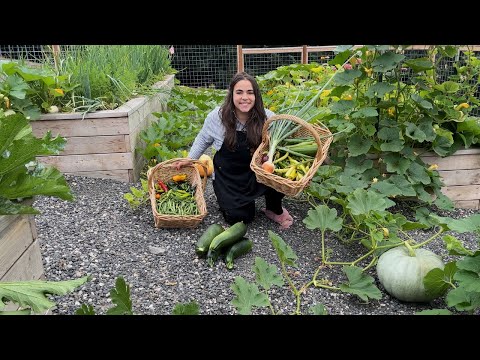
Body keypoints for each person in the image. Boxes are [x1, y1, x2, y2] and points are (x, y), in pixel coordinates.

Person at [175, 72, 293, 229]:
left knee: (277, 171)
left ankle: (273, 207)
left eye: (250, 92)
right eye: (239, 92)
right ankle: (231, 201)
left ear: (256, 95)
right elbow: (203, 139)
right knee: (240, 218)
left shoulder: (268, 118)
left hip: (256, 173)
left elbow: (284, 142)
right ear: (231, 95)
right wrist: (189, 159)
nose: (245, 97)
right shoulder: (216, 117)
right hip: (229, 176)